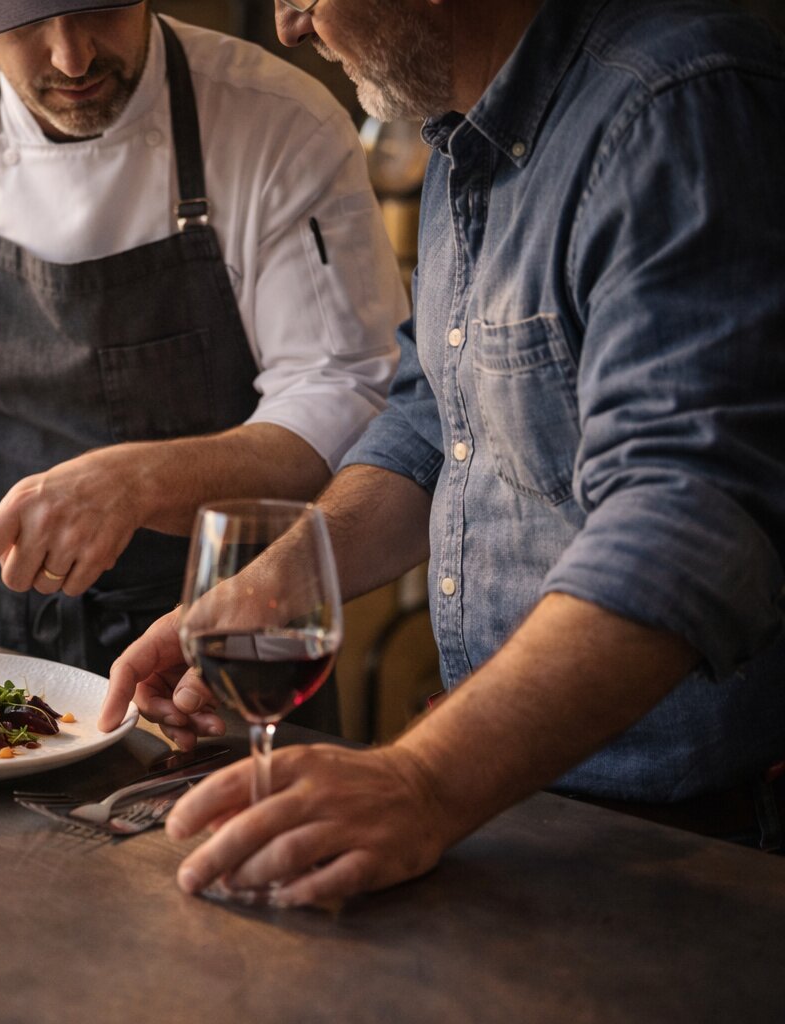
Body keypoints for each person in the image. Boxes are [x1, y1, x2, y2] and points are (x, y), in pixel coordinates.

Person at [101, 0, 785, 907]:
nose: (290, 27)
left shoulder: (674, 105)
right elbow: (436, 416)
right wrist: (279, 586)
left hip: (695, 849)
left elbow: (689, 516)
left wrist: (421, 780)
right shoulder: (466, 136)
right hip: (520, 804)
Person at [0, 0, 408, 688]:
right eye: (27, 26)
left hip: (218, 648)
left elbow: (347, 396)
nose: (72, 58)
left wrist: (142, 482)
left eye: (101, 9)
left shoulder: (277, 121)